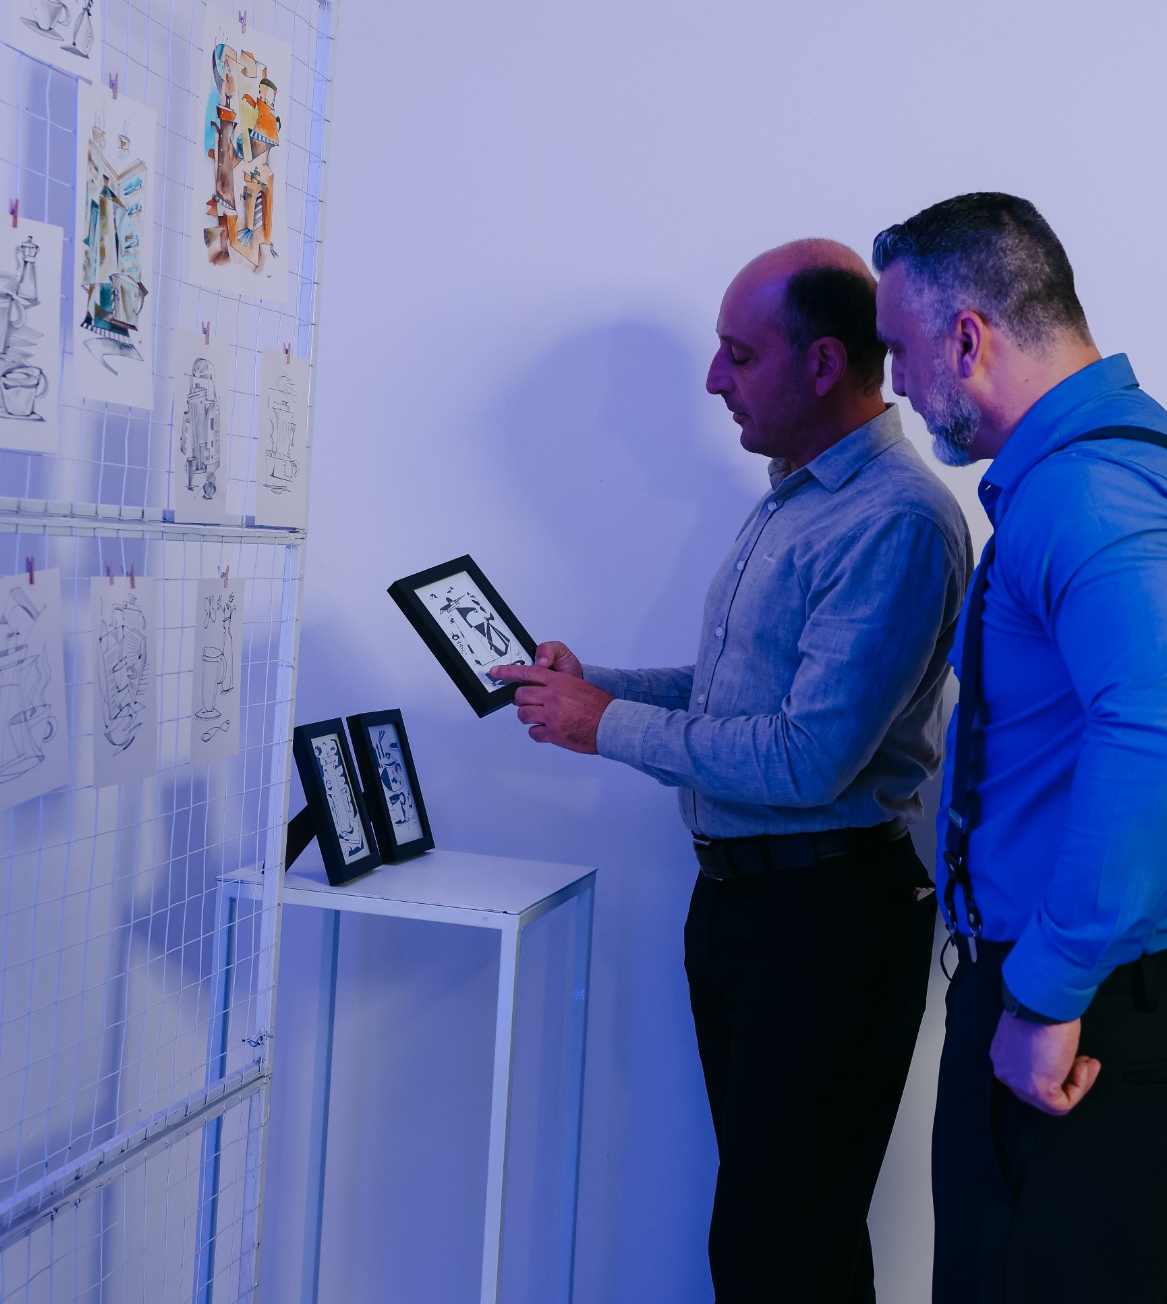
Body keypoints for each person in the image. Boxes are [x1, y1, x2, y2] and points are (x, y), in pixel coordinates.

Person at [492, 240, 972, 1304]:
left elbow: (807, 757)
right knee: (793, 1242)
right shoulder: (795, 497)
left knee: (775, 1250)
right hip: (751, 913)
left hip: (826, 921)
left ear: (823, 362)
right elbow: (734, 693)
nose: (715, 380)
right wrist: (592, 682)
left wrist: (603, 724)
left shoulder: (894, 519)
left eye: (738, 355)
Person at [872, 192, 1167, 1304]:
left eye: (901, 349)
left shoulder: (1084, 493)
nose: (897, 385)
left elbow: (1154, 725)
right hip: (1092, 989)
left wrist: (1043, 993)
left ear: (967, 338)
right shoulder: (1107, 464)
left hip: (1079, 1009)